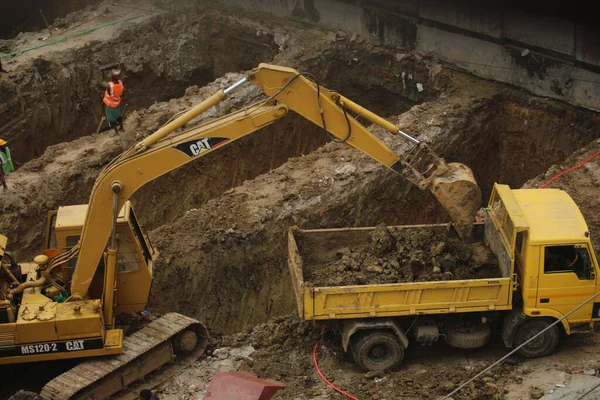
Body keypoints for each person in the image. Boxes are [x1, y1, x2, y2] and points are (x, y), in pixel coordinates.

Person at [100, 69, 125, 134]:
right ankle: (121, 128)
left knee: (111, 120)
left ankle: (116, 132)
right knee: (118, 116)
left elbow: (101, 82)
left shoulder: (109, 86)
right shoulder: (120, 83)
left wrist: (101, 74)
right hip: (117, 103)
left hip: (110, 106)